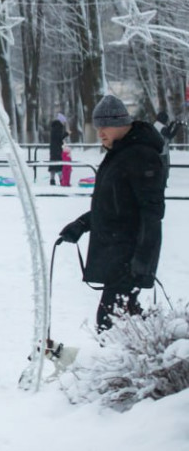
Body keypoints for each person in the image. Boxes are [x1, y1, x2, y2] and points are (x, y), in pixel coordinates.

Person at [58, 94, 165, 332]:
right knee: (124, 321)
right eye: (98, 127)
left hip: (129, 255)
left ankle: (138, 361)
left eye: (105, 126)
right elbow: (113, 206)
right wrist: (81, 225)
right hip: (118, 254)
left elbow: (152, 212)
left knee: (110, 322)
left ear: (121, 124)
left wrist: (142, 260)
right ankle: (148, 357)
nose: (100, 132)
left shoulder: (140, 155)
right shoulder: (119, 153)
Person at [49, 113, 69, 187]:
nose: (64, 123)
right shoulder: (58, 127)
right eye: (64, 122)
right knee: (58, 164)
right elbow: (59, 138)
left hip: (53, 149)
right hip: (57, 149)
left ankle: (52, 180)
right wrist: (66, 134)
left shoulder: (54, 127)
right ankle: (61, 180)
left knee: (53, 164)